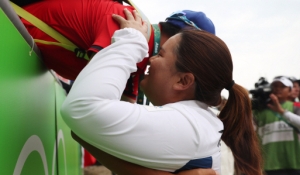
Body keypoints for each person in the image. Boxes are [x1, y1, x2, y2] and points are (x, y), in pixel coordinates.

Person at [61, 9, 264, 175]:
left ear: (183, 81)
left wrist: (132, 41)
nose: (149, 58)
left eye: (160, 54)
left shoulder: (187, 125)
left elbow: (82, 108)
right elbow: (82, 125)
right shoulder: (193, 119)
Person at [15, 0, 215, 103]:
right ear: (179, 41)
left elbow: (125, 109)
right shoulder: (125, 23)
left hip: (21, 56)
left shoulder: (142, 53)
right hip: (11, 33)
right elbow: (95, 103)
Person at [253, 76, 300, 175]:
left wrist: (282, 111)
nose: (278, 89)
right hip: (271, 165)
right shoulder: (260, 111)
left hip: (295, 163)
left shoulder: (296, 105)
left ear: (290, 90)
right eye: (275, 87)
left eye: (282, 87)